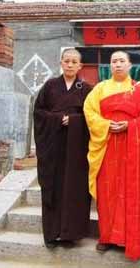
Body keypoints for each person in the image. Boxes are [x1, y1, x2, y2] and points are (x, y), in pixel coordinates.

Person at [83, 50, 140, 261]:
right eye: (114, 61)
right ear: (109, 66)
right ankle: (106, 237)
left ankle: (128, 237)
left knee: (130, 191)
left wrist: (129, 125)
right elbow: (89, 111)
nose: (118, 65)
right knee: (108, 192)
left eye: (122, 61)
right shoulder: (100, 88)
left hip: (132, 148)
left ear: (131, 65)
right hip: (106, 146)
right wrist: (106, 125)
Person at [33, 48, 92, 249]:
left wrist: (74, 121)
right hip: (52, 145)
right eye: (66, 61)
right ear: (61, 63)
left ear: (80, 66)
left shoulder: (86, 89)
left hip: (76, 148)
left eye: (74, 61)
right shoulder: (50, 86)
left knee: (74, 188)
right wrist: (58, 119)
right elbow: (39, 113)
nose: (69, 64)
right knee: (52, 186)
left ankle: (70, 234)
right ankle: (51, 233)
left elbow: (91, 118)